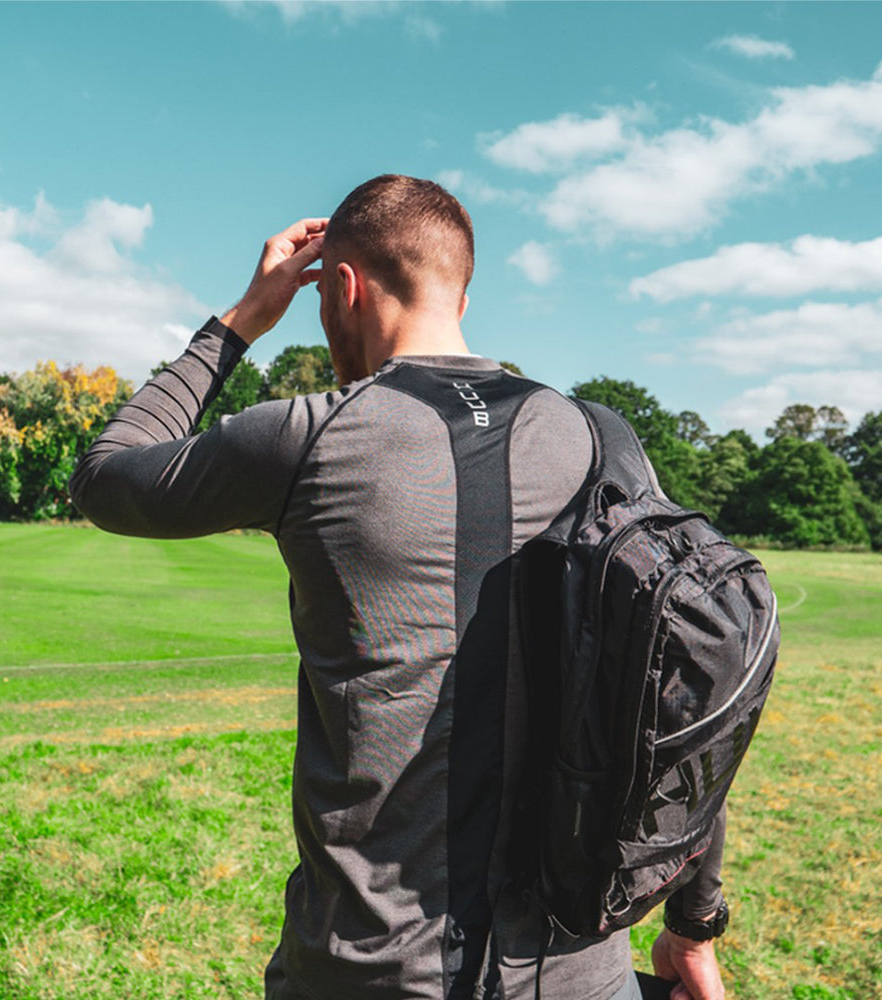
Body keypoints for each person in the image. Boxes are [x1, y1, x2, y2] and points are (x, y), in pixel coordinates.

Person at [69, 175, 728, 1000]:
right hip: (575, 971)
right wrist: (694, 927)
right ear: (462, 285)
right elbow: (682, 691)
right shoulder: (603, 441)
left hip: (365, 971)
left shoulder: (307, 433)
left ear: (341, 286)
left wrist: (240, 320)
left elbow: (103, 478)